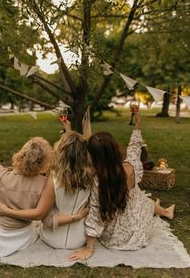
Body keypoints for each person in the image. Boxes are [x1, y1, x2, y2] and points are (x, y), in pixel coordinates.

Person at [69, 111, 175, 261]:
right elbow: (134, 147)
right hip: (136, 231)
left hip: (114, 237)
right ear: (115, 148)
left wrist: (89, 248)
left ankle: (164, 211)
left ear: (94, 156)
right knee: (140, 197)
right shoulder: (131, 166)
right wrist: (138, 123)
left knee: (140, 198)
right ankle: (164, 211)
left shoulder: (98, 180)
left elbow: (95, 214)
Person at [0, 129, 94, 249]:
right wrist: (78, 216)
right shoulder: (92, 175)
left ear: (60, 153)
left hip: (52, 239)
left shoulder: (52, 179)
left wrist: (7, 211)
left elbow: (47, 220)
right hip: (79, 238)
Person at [0, 107, 54, 257]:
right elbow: (39, 214)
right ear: (44, 162)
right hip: (22, 237)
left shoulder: (1, 176)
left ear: (21, 154)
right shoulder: (45, 183)